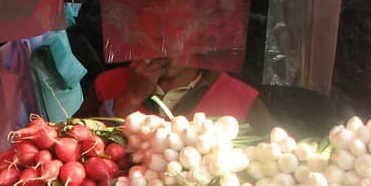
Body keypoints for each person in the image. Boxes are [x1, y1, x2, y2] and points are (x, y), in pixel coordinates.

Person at [77, 57, 273, 132]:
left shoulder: (242, 99)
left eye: (176, 34)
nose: (163, 46)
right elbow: (76, 150)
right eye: (154, 31)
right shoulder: (107, 84)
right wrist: (130, 98)